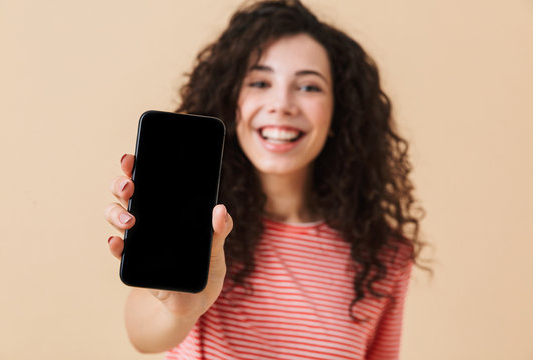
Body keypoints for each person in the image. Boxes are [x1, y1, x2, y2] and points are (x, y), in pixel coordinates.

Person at [105, 0, 425, 359]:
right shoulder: (203, 224)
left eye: (308, 87)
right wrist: (179, 310)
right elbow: (142, 334)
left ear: (341, 113)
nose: (281, 104)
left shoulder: (385, 256)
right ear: (233, 103)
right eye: (260, 82)